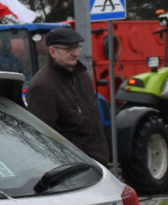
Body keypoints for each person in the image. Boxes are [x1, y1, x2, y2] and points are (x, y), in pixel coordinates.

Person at [26, 26, 109, 163]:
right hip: (74, 169)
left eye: (77, 48)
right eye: (69, 49)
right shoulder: (42, 86)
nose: (76, 53)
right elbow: (43, 139)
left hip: (99, 163)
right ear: (53, 52)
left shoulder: (82, 76)